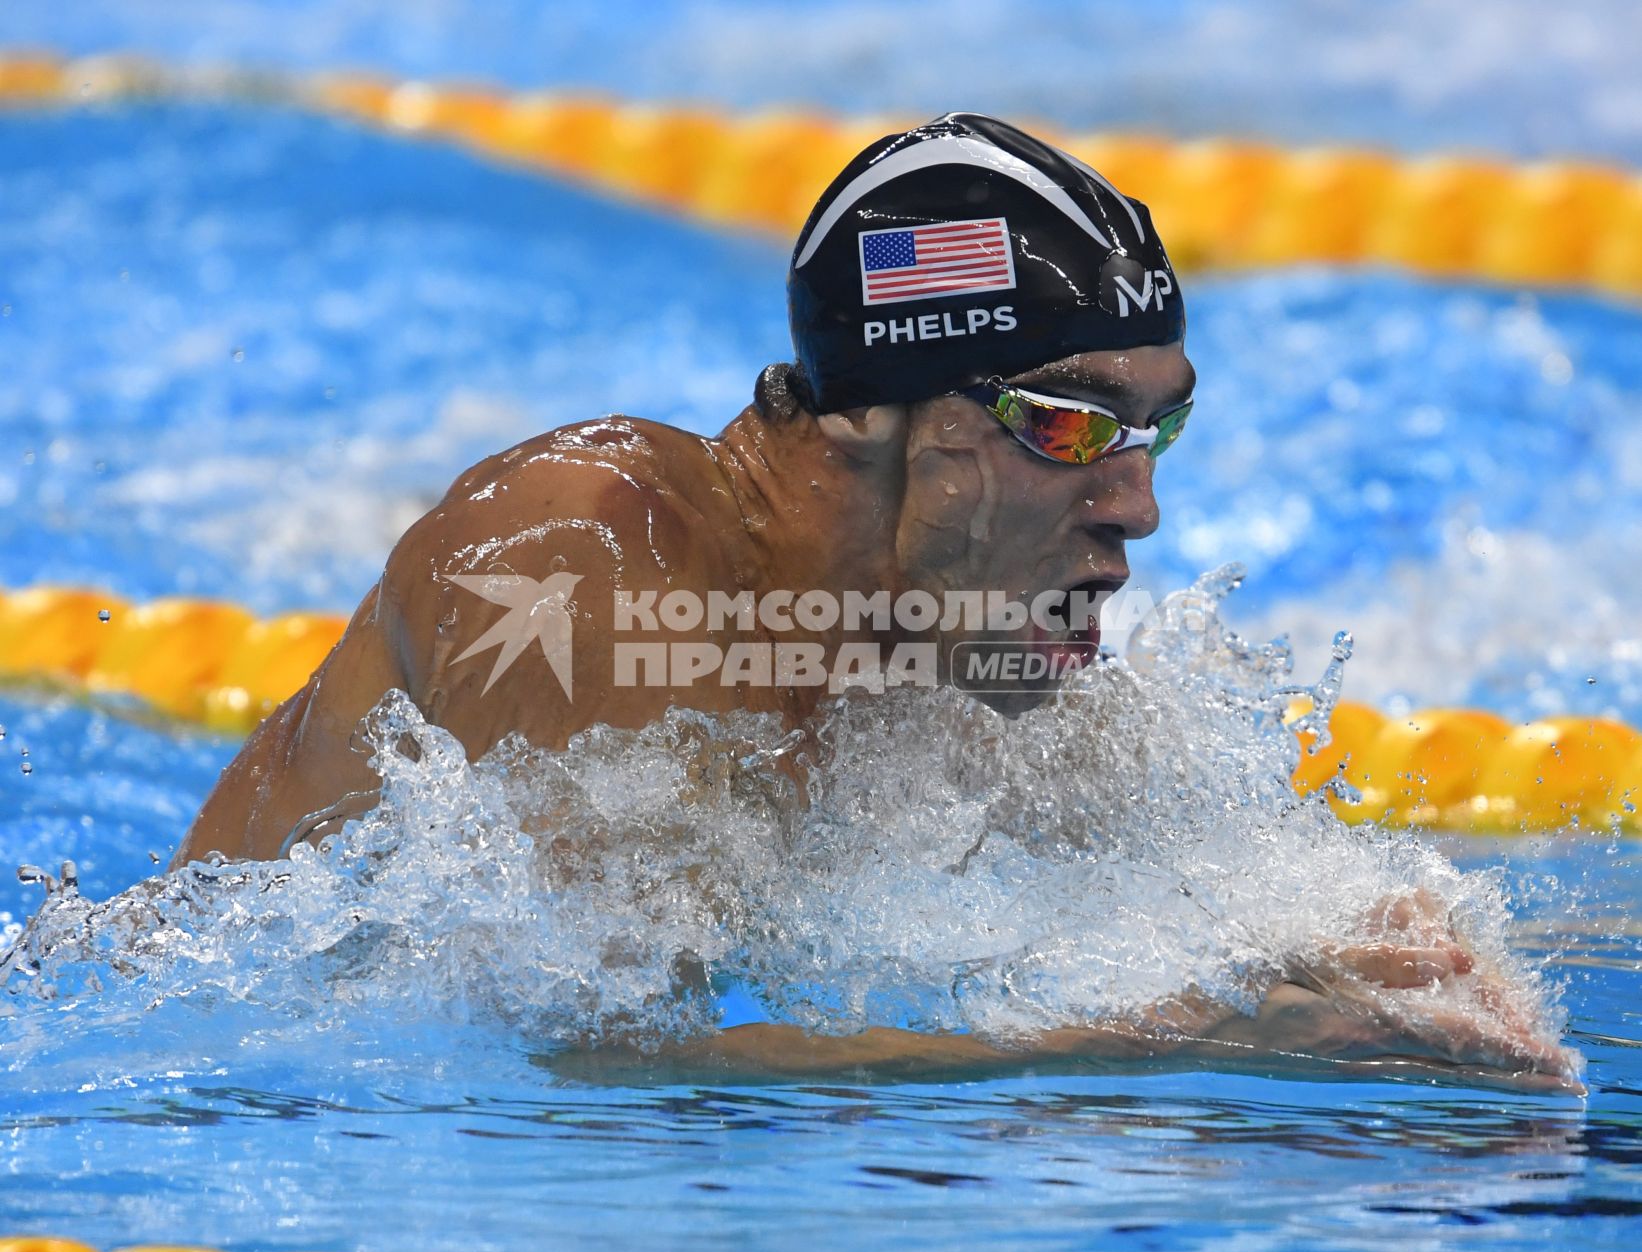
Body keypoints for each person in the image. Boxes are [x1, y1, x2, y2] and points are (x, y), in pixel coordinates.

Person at [171, 113, 1576, 1089]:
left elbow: (1215, 869)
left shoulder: (933, 638)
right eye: (1070, 426)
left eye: (1155, 434)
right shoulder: (582, 554)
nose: (1136, 507)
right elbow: (602, 1064)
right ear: (879, 425)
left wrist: (1364, 962)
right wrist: (1180, 1039)